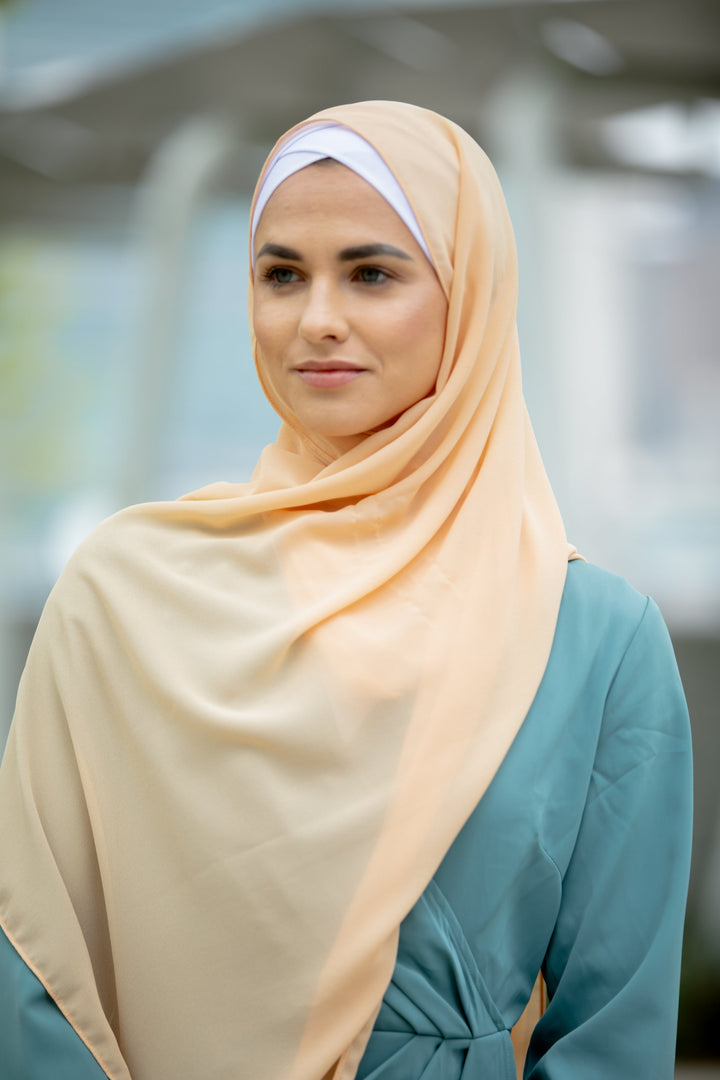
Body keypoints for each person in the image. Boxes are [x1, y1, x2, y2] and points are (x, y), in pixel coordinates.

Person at [0, 101, 692, 1080]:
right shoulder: (121, 597)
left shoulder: (593, 638)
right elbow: (33, 955)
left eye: (371, 272)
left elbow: (614, 1035)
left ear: (470, 297)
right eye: (282, 273)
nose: (317, 318)